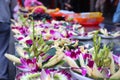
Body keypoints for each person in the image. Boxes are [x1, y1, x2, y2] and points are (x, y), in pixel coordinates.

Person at [0, 0, 17, 80]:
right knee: (3, 51)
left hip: (4, 21)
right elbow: (14, 7)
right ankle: (2, 76)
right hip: (3, 20)